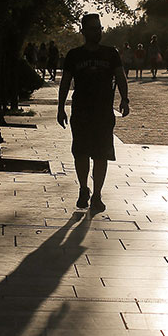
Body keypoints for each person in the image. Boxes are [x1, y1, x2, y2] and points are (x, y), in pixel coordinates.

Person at [57, 13, 130, 214]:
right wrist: (60, 107)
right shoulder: (74, 55)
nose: (97, 32)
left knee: (101, 154)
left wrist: (125, 99)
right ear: (83, 31)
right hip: (81, 111)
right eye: (92, 28)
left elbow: (120, 77)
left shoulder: (111, 53)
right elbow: (65, 82)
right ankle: (83, 188)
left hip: (103, 112)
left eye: (99, 28)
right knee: (80, 153)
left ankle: (97, 194)